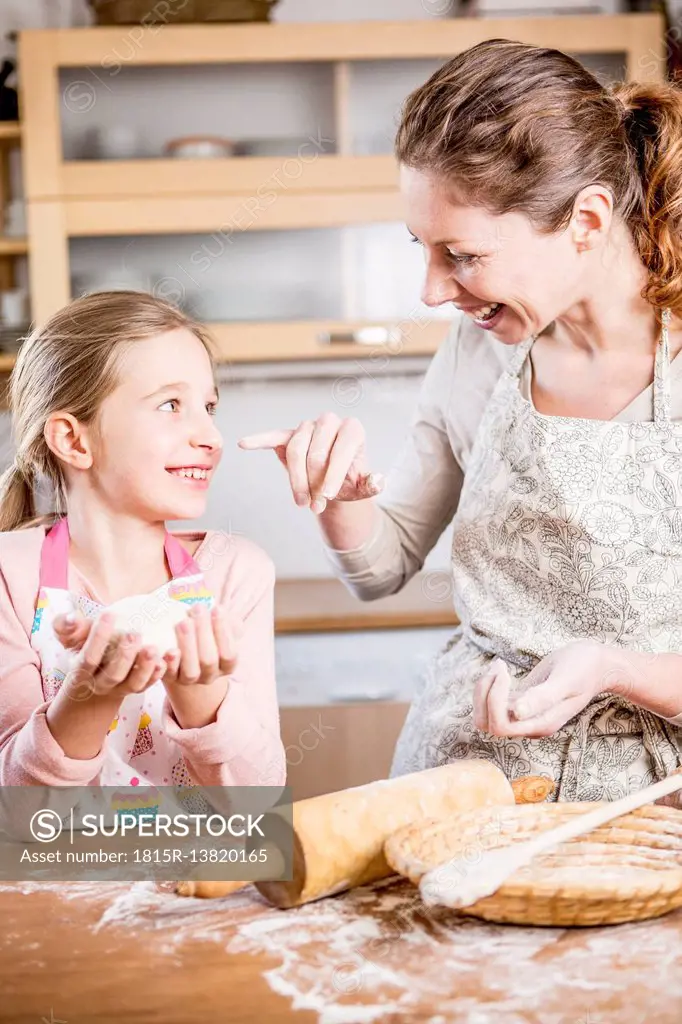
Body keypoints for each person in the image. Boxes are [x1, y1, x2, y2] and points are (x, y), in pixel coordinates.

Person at [239, 40, 682, 802]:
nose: (432, 291)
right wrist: (345, 501)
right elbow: (384, 566)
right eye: (421, 248)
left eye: (463, 255)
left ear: (586, 218)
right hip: (465, 786)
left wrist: (615, 670)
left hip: (654, 807)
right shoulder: (477, 356)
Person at [0, 290, 284, 789]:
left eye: (209, 406)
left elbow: (257, 813)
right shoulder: (10, 576)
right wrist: (90, 697)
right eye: (171, 404)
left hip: (197, 870)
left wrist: (200, 695)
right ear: (73, 439)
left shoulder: (236, 574)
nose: (210, 436)